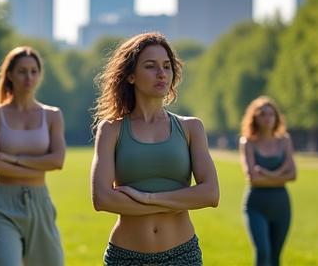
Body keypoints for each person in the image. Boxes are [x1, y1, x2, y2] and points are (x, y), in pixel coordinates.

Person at [90, 32, 220, 265]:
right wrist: (177, 201)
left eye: (167, 66)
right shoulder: (110, 129)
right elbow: (102, 199)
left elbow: (210, 194)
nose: (161, 73)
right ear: (130, 76)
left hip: (183, 255)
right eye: (150, 66)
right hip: (125, 257)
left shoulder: (191, 128)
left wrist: (146, 197)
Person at [0, 46, 66, 265]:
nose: (29, 77)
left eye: (34, 71)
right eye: (22, 71)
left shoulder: (52, 115)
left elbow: (57, 160)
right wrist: (38, 164)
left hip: (40, 202)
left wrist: (13, 159)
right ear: (9, 74)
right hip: (1, 203)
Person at [239, 96, 297, 266]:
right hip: (256, 205)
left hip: (281, 206)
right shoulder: (247, 142)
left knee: (275, 257)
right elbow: (253, 179)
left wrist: (266, 173)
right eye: (263, 114)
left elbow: (293, 175)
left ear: (276, 117)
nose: (267, 118)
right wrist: (280, 176)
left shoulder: (284, 141)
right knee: (263, 253)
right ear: (254, 117)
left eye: (271, 114)